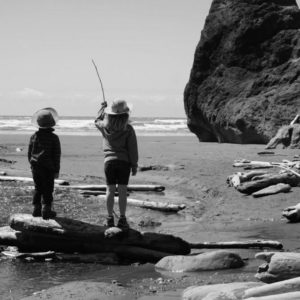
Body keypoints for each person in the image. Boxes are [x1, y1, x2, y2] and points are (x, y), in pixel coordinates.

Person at [95, 99, 138, 229]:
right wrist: (134, 164)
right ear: (126, 114)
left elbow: (96, 121)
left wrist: (102, 109)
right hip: (124, 162)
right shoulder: (128, 129)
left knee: (110, 190)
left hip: (109, 162)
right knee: (123, 191)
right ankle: (122, 219)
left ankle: (109, 218)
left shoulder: (105, 127)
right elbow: (133, 149)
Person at [28, 107, 61, 219]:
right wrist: (56, 170)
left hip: (36, 166)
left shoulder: (34, 136)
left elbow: (30, 153)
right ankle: (46, 210)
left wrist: (31, 165)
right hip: (48, 167)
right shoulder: (54, 138)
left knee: (38, 188)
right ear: (52, 124)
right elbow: (56, 156)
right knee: (48, 188)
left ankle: (36, 208)